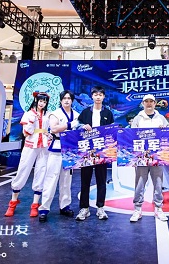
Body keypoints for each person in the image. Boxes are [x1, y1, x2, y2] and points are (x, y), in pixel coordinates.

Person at [4, 92, 51, 218]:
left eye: (44, 102)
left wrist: (48, 134)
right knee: (23, 170)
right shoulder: (29, 114)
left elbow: (51, 128)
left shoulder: (48, 114)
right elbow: (26, 133)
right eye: (40, 101)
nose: (42, 103)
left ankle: (35, 205)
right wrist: (32, 121)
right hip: (31, 145)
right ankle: (12, 203)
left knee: (41, 171)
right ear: (36, 100)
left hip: (44, 146)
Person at [76, 86, 115, 221]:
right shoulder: (85, 112)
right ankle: (84, 208)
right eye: (95, 94)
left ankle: (100, 207)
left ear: (103, 97)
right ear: (92, 96)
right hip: (87, 151)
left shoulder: (108, 113)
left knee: (101, 180)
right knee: (85, 180)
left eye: (100, 95)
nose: (98, 97)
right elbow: (77, 126)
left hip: (102, 152)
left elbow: (112, 131)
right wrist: (82, 126)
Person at [39, 90, 78, 222]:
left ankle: (65, 206)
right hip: (56, 148)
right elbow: (54, 129)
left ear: (72, 100)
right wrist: (69, 125)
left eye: (69, 98)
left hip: (70, 150)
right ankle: (44, 209)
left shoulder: (77, 115)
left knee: (67, 180)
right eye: (64, 98)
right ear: (61, 100)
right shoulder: (55, 113)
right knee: (51, 178)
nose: (67, 100)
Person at [129, 94, 169, 222]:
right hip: (141, 156)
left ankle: (158, 208)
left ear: (155, 103)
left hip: (157, 156)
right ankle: (137, 209)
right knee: (140, 182)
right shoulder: (137, 118)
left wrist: (164, 130)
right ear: (143, 103)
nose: (149, 103)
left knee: (158, 182)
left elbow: (168, 135)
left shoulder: (161, 118)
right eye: (146, 101)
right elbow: (131, 136)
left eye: (151, 101)